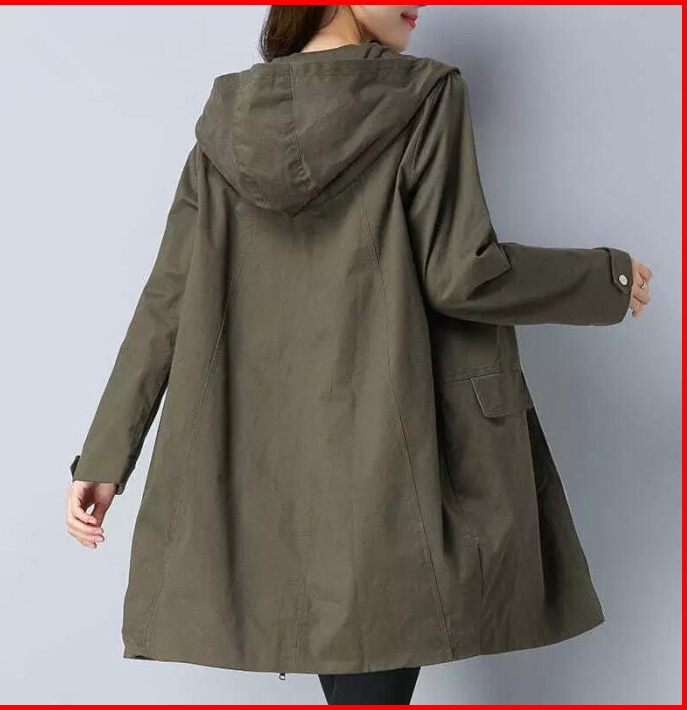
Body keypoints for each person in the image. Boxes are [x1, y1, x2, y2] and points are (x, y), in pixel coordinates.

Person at [65, 5, 652, 706]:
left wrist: (105, 458)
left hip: (272, 470)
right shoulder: (425, 95)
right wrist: (605, 279)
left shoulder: (227, 124)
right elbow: (461, 274)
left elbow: (169, 297)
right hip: (392, 459)